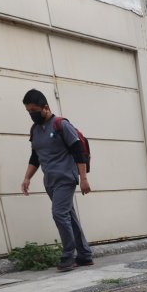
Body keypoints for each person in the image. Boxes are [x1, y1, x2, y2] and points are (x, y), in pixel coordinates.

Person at [20, 89, 93, 272]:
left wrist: (83, 178)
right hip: (50, 181)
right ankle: (84, 255)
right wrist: (27, 178)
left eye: (34, 110)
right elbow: (35, 156)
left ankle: (68, 256)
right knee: (69, 216)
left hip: (66, 178)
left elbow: (78, 151)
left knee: (59, 214)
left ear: (46, 107)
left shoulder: (61, 125)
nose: (32, 114)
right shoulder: (35, 130)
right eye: (29, 111)